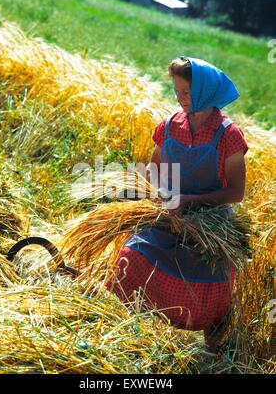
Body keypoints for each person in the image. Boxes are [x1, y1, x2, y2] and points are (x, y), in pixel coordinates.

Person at [106, 56, 249, 353]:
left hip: (212, 225)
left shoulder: (229, 136)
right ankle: (124, 337)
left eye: (187, 92)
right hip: (170, 216)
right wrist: (161, 195)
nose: (181, 99)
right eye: (177, 91)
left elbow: (236, 191)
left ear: (205, 92)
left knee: (211, 291)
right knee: (131, 258)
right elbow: (155, 171)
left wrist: (192, 201)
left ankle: (217, 357)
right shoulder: (169, 127)